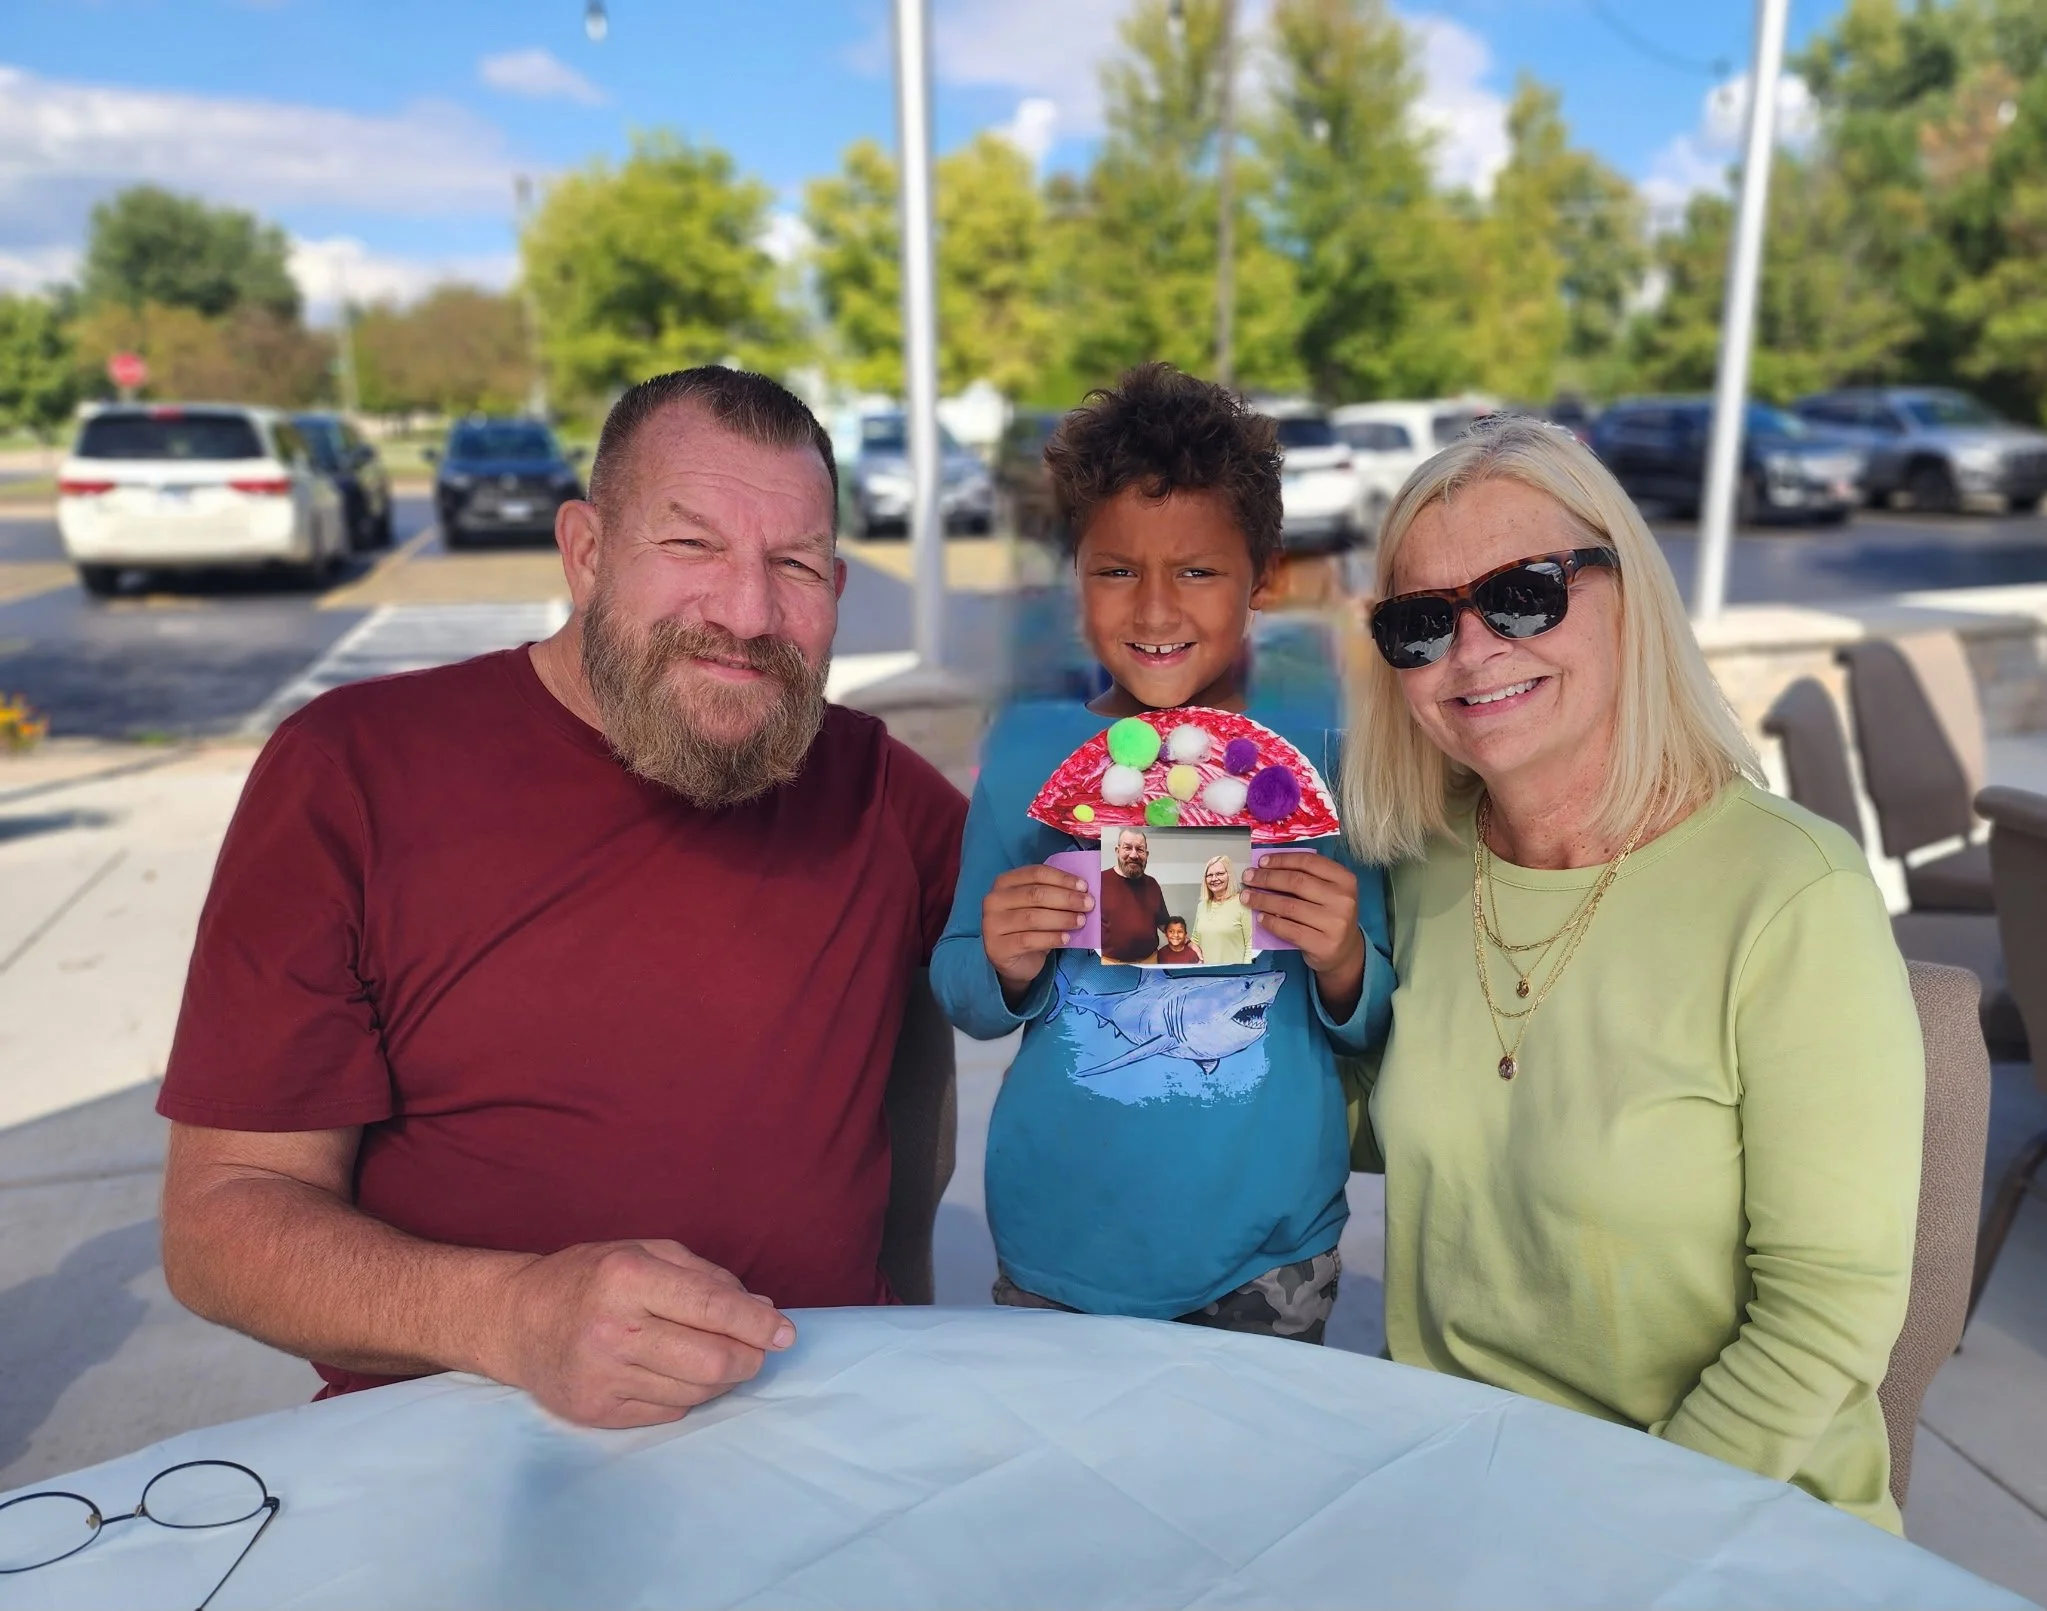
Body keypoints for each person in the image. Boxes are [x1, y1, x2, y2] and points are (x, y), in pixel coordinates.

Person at [155, 366, 967, 1430]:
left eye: (795, 565)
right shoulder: (354, 772)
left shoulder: (872, 788)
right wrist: (513, 1316)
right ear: (585, 553)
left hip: (831, 1426)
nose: (746, 610)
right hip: (473, 1443)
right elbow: (220, 1222)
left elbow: (1111, 938)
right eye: (690, 546)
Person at [1343, 416, 1921, 1530]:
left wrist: (1618, 1531)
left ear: (1628, 590)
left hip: (1723, 1521)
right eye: (1420, 622)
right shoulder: (1416, 864)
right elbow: (1381, 1131)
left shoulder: (1792, 893)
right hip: (1457, 1488)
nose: (1471, 652)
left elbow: (1827, 1311)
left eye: (1522, 593)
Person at [933, 362, 1394, 1344]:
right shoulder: (1025, 754)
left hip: (1271, 1251)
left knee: (1248, 1493)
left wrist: (1345, 957)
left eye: (1196, 570)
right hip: (1059, 1245)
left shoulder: (1326, 751)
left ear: (1263, 575)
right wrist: (1004, 960)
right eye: (1114, 570)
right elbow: (962, 992)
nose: (1152, 610)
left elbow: (1376, 1017)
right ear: (1073, 575)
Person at [1100, 826, 1169, 964]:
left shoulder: (1152, 883)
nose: (1134, 855)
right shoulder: (1099, 880)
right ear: (1117, 851)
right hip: (1110, 964)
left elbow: (1164, 923)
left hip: (1150, 961)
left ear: (1146, 855)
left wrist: (1187, 942)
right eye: (1127, 848)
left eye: (1139, 849)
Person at [1191, 853, 1254, 965]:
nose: (1214, 879)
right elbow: (1195, 940)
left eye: (1220, 874)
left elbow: (1250, 944)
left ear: (1229, 875)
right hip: (1206, 977)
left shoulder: (1242, 903)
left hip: (1234, 977)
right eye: (1209, 875)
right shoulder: (1202, 906)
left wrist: (1245, 974)